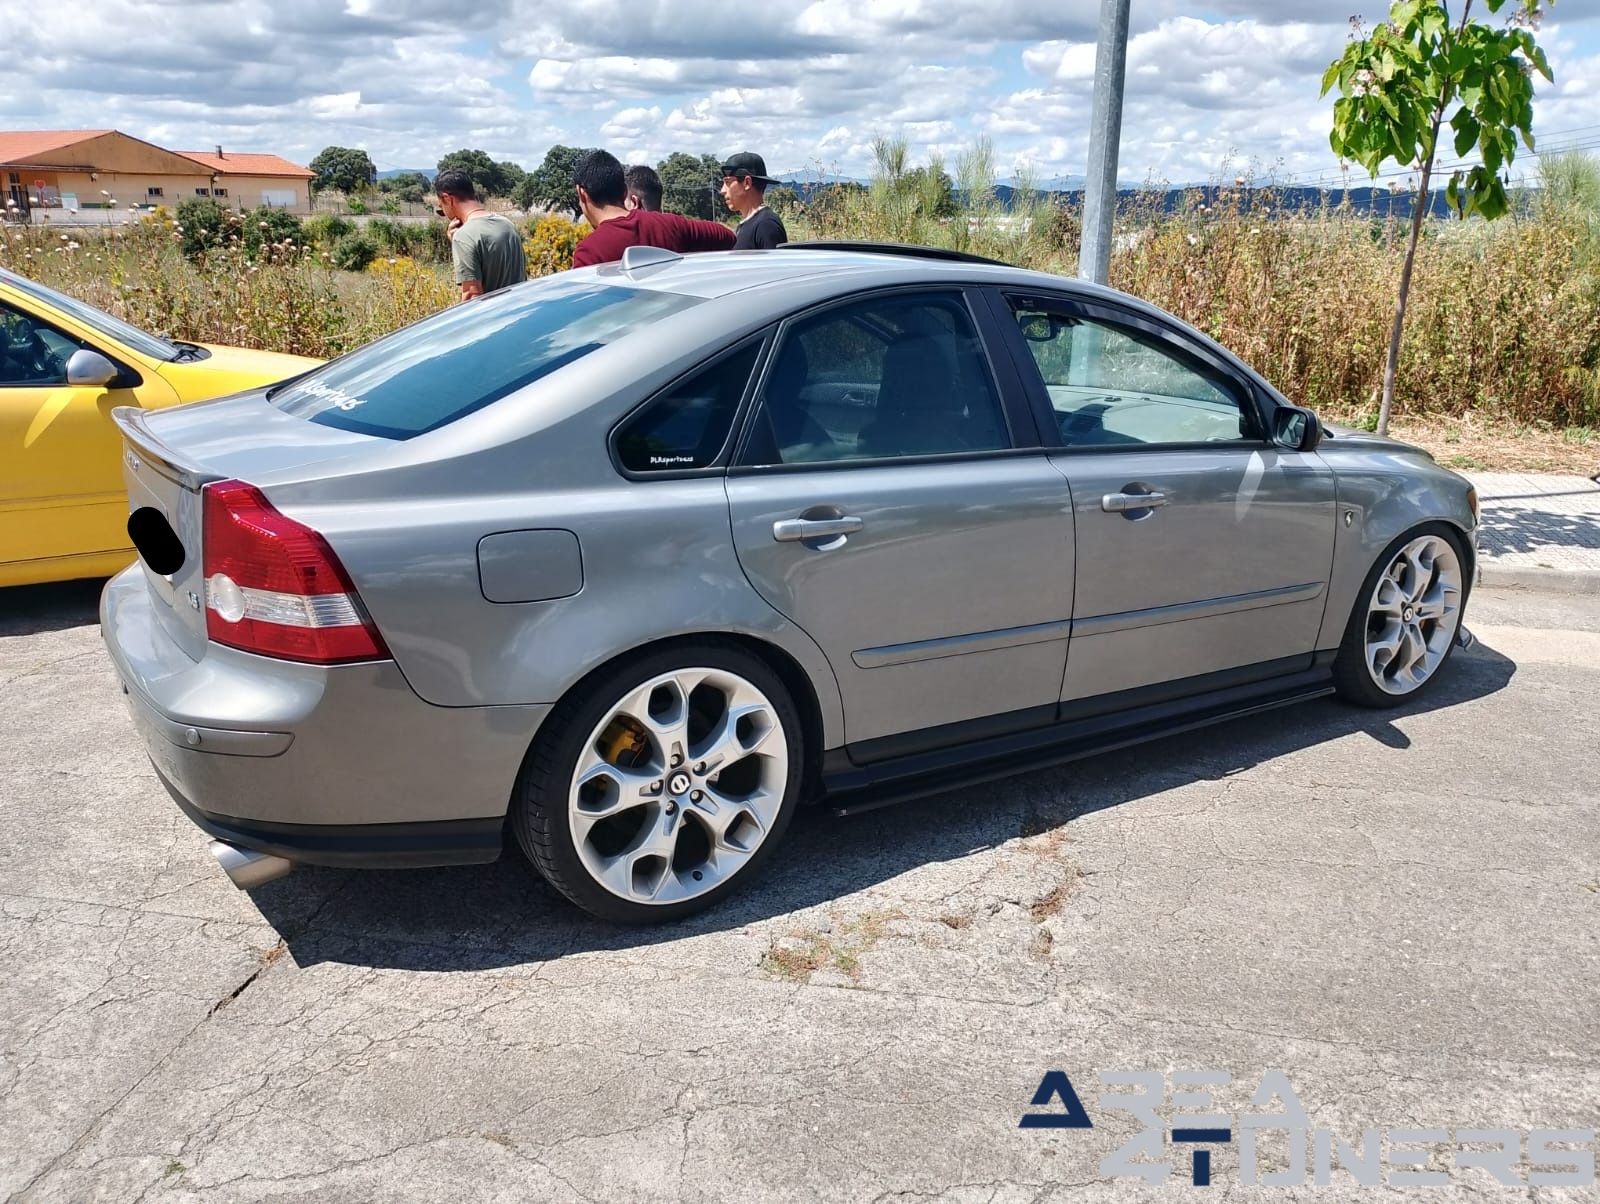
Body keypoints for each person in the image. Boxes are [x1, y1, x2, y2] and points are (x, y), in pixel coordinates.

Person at [571, 150, 735, 267]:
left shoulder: (589, 253)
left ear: (581, 193)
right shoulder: (671, 225)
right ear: (624, 191)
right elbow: (728, 236)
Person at [434, 169, 527, 300]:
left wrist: (458, 241)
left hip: (494, 312)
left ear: (447, 199)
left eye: (441, 207)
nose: (444, 213)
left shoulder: (464, 236)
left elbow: (472, 295)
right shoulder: (507, 224)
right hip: (520, 307)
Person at [718, 152, 787, 249]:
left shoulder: (766, 225)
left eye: (728, 182)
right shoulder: (748, 224)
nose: (722, 190)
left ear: (747, 183)